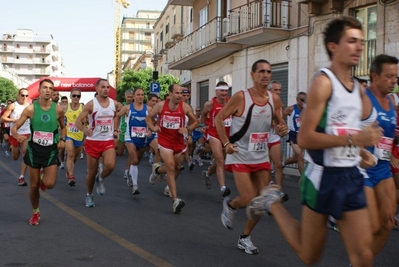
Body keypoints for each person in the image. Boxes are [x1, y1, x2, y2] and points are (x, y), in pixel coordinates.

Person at [246, 16, 382, 266]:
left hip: (350, 176)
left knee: (363, 256)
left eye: (361, 42)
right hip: (322, 177)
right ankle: (272, 203)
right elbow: (306, 138)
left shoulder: (358, 90)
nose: (359, 47)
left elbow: (344, 131)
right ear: (334, 46)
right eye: (352, 41)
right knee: (309, 255)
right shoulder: (323, 83)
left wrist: (361, 151)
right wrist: (356, 140)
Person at [216, 59, 288, 254]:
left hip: (260, 156)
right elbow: (219, 118)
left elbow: (279, 123)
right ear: (253, 74)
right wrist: (226, 143)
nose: (265, 75)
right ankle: (230, 204)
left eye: (269, 72)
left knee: (261, 201)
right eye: (261, 71)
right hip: (239, 154)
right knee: (249, 198)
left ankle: (245, 237)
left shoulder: (274, 99)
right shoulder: (241, 97)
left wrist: (282, 128)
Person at [11, 78, 66, 225]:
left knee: (49, 184)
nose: (48, 90)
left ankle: (43, 176)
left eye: (51, 88)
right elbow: (14, 127)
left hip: (51, 150)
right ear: (40, 90)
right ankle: (35, 212)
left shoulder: (58, 109)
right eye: (45, 88)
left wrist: (63, 140)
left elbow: (63, 127)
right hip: (33, 149)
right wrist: (16, 135)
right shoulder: (31, 109)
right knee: (34, 186)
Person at [361, 54, 398, 257]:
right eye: (389, 76)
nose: (394, 81)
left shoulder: (391, 101)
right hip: (362, 168)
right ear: (375, 76)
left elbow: (390, 135)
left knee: (387, 222)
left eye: (396, 76)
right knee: (373, 224)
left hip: (382, 167)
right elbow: (342, 130)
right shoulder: (363, 99)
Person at [146, 84, 198, 213]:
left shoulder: (185, 107)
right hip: (164, 140)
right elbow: (148, 118)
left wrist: (188, 129)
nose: (180, 95)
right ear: (170, 94)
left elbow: (196, 121)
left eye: (181, 93)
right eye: (177, 93)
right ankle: (175, 200)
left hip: (178, 141)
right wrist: (153, 128)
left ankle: (157, 170)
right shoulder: (160, 105)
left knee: (177, 166)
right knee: (170, 166)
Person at [75, 78, 123, 208]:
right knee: (91, 172)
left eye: (108, 87)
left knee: (110, 165)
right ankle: (89, 195)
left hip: (107, 140)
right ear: (97, 89)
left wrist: (117, 129)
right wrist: (85, 130)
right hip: (92, 142)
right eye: (103, 87)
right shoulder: (91, 105)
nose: (106, 89)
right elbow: (77, 121)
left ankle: (100, 178)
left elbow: (119, 114)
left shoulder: (115, 104)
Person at [115, 88, 153, 195]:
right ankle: (135, 185)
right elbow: (117, 117)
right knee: (134, 160)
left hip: (143, 138)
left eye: (142, 94)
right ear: (134, 96)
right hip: (129, 137)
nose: (140, 96)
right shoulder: (127, 108)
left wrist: (150, 129)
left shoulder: (148, 109)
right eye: (138, 95)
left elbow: (154, 120)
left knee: (137, 162)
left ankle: (130, 175)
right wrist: (116, 129)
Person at [199, 81, 232, 197]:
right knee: (220, 160)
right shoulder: (210, 104)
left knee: (220, 160)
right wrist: (203, 126)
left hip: (226, 134)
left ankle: (207, 174)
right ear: (216, 91)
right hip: (213, 133)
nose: (224, 93)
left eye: (226, 91)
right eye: (221, 90)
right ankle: (223, 188)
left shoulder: (230, 102)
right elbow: (203, 115)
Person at [1, 88, 31, 186]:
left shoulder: (30, 107)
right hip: (14, 134)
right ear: (18, 95)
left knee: (25, 153)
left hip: (26, 133)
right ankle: (12, 147)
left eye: (26, 95)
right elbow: (2, 119)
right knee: (15, 157)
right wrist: (14, 120)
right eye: (22, 95)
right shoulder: (13, 105)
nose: (24, 97)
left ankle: (21, 177)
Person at [267, 81, 288, 196]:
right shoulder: (263, 102)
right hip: (263, 136)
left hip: (274, 136)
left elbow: (282, 119)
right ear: (269, 91)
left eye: (280, 90)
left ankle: (279, 190)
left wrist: (283, 128)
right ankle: (268, 184)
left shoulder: (280, 104)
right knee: (265, 165)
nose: (279, 92)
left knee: (278, 164)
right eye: (276, 90)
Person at [64, 88, 85, 186]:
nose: (76, 98)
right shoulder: (65, 107)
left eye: (78, 96)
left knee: (75, 156)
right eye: (74, 96)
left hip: (79, 136)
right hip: (69, 135)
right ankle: (71, 177)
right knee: (70, 154)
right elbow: (60, 119)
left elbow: (88, 120)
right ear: (70, 96)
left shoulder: (83, 108)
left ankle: (69, 170)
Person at [284, 91, 307, 176]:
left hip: (303, 135)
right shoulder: (291, 109)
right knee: (300, 155)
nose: (304, 102)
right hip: (293, 134)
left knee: (296, 158)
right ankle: (303, 178)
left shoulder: (307, 110)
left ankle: (283, 163)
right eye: (302, 100)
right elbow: (281, 116)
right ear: (297, 100)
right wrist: (283, 127)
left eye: (305, 100)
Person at [117, 90, 134, 179]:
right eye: (128, 97)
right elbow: (116, 115)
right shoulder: (121, 106)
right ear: (125, 97)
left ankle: (127, 170)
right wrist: (116, 129)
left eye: (131, 97)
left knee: (131, 154)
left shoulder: (135, 106)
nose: (130, 99)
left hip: (131, 133)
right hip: (122, 131)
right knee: (119, 153)